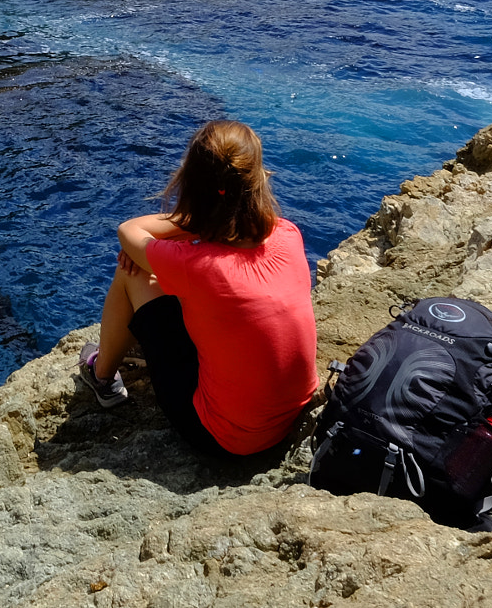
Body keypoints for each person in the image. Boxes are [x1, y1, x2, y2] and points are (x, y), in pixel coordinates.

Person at [78, 119, 318, 459]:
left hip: (225, 439)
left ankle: (101, 377)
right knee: (176, 284)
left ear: (191, 184)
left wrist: (198, 217)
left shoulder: (198, 265)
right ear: (260, 180)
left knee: (131, 272)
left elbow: (129, 231)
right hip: (290, 422)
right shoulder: (288, 235)